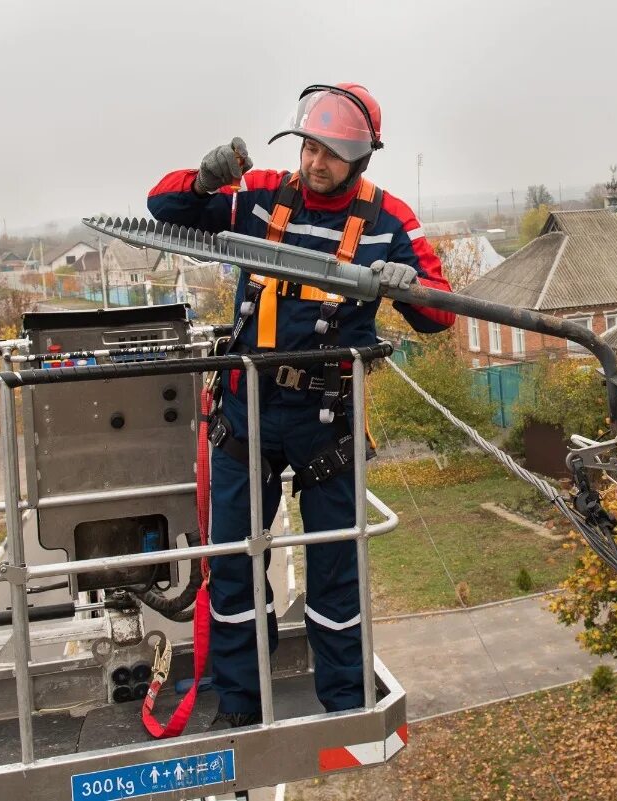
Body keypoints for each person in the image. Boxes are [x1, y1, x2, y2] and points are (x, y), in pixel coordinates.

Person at [147, 83, 454, 728]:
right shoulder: (259, 194)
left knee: (335, 573)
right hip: (245, 413)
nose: (316, 164)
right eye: (311, 148)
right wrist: (205, 179)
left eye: (331, 155)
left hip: (327, 423)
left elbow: (440, 311)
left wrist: (408, 287)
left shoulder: (387, 222)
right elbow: (164, 208)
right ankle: (240, 709)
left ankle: (342, 705)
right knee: (231, 569)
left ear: (362, 158)